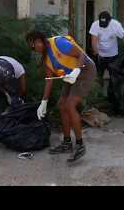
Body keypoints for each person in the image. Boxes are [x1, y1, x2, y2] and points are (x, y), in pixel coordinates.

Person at [26, 31, 96, 163]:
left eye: (34, 46)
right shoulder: (46, 58)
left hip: (85, 71)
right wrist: (44, 102)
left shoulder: (58, 43)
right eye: (31, 48)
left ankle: (80, 145)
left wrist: (77, 71)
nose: (34, 49)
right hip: (70, 76)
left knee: (70, 105)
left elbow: (80, 54)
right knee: (61, 106)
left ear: (39, 40)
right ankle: (67, 143)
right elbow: (49, 80)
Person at [89, 11, 124, 85]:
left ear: (109, 21)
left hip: (113, 55)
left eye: (105, 24)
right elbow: (93, 40)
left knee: (113, 77)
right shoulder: (95, 24)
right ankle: (99, 92)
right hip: (100, 55)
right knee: (98, 76)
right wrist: (97, 53)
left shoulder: (116, 25)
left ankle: (111, 94)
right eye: (101, 24)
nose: (102, 26)